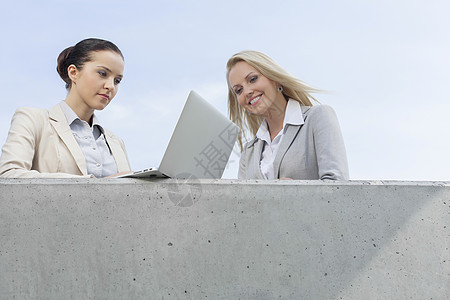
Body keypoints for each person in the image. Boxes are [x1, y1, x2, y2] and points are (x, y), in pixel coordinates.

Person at [0, 38, 131, 178]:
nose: (110, 86)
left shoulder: (116, 142)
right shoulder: (33, 120)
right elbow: (9, 175)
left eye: (117, 81)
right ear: (73, 72)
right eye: (102, 73)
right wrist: (92, 184)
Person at [226, 50, 349, 180]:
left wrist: (293, 191)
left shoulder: (318, 117)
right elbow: (240, 199)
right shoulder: (248, 152)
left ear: (274, 79)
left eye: (253, 79)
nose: (247, 92)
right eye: (239, 90)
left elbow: (338, 187)